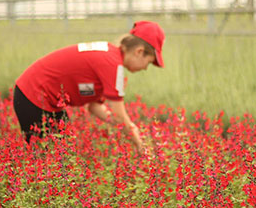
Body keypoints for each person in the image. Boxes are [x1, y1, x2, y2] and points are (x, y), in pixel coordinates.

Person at [12, 21, 165, 154]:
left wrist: (126, 126)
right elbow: (118, 114)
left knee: (63, 152)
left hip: (40, 98)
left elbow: (94, 107)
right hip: (32, 96)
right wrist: (138, 142)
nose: (145, 68)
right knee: (47, 157)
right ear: (139, 52)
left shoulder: (110, 58)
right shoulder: (112, 64)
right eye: (149, 62)